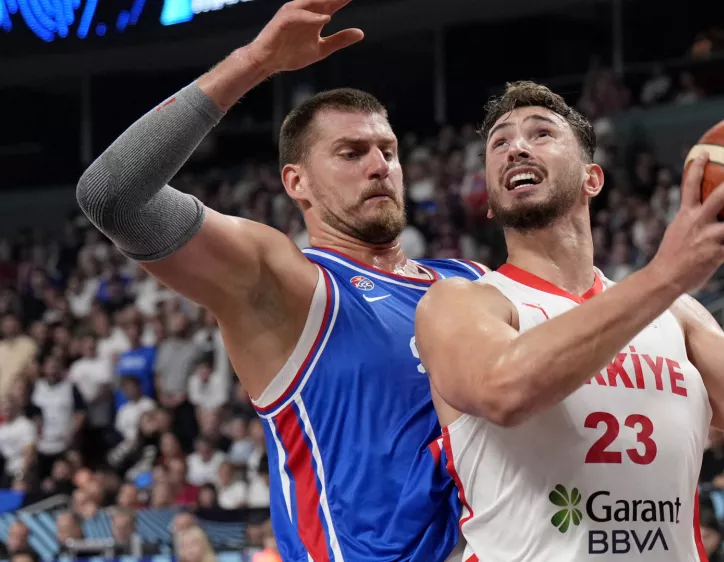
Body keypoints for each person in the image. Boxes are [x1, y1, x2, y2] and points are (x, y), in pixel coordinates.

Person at [77, 1, 483, 561]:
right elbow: (113, 196)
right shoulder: (292, 285)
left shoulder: (471, 283)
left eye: (387, 151)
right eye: (351, 152)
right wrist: (255, 62)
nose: (379, 166)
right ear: (297, 182)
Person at [414, 81, 724, 559]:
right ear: (491, 201)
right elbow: (503, 389)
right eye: (499, 142)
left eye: (540, 134)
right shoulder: (461, 302)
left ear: (592, 179)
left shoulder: (676, 316)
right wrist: (667, 274)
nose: (516, 147)